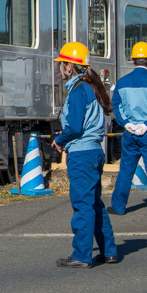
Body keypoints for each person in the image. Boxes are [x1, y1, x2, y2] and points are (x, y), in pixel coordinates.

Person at [52, 42, 119, 268]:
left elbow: (76, 127)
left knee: (82, 204)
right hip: (94, 151)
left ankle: (81, 255)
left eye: (62, 65)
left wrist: (59, 140)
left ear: (70, 67)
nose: (60, 69)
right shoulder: (90, 87)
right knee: (95, 203)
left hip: (81, 154)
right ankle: (108, 250)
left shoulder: (78, 90)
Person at [109, 42, 147, 215]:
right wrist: (146, 123)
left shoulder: (122, 82)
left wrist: (126, 123)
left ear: (133, 61)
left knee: (126, 170)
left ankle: (118, 206)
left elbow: (116, 104)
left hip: (129, 133)